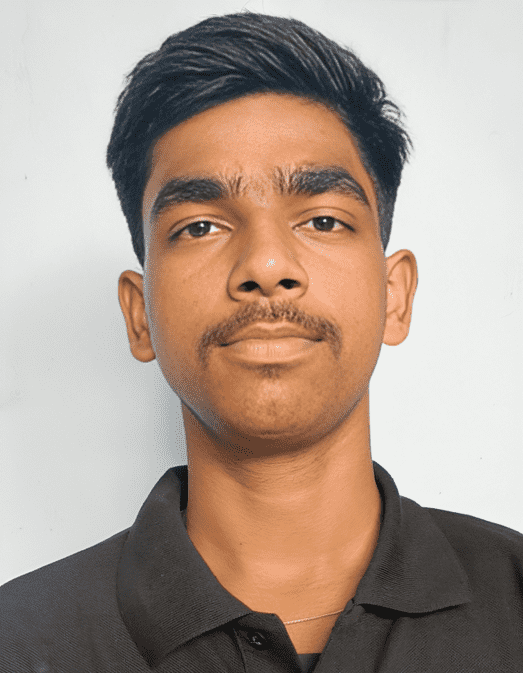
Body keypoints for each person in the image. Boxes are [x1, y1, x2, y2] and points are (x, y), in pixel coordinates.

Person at [1, 10, 522, 673]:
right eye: (200, 226)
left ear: (395, 295)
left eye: (323, 220)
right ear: (139, 315)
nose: (267, 264)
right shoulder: (18, 641)